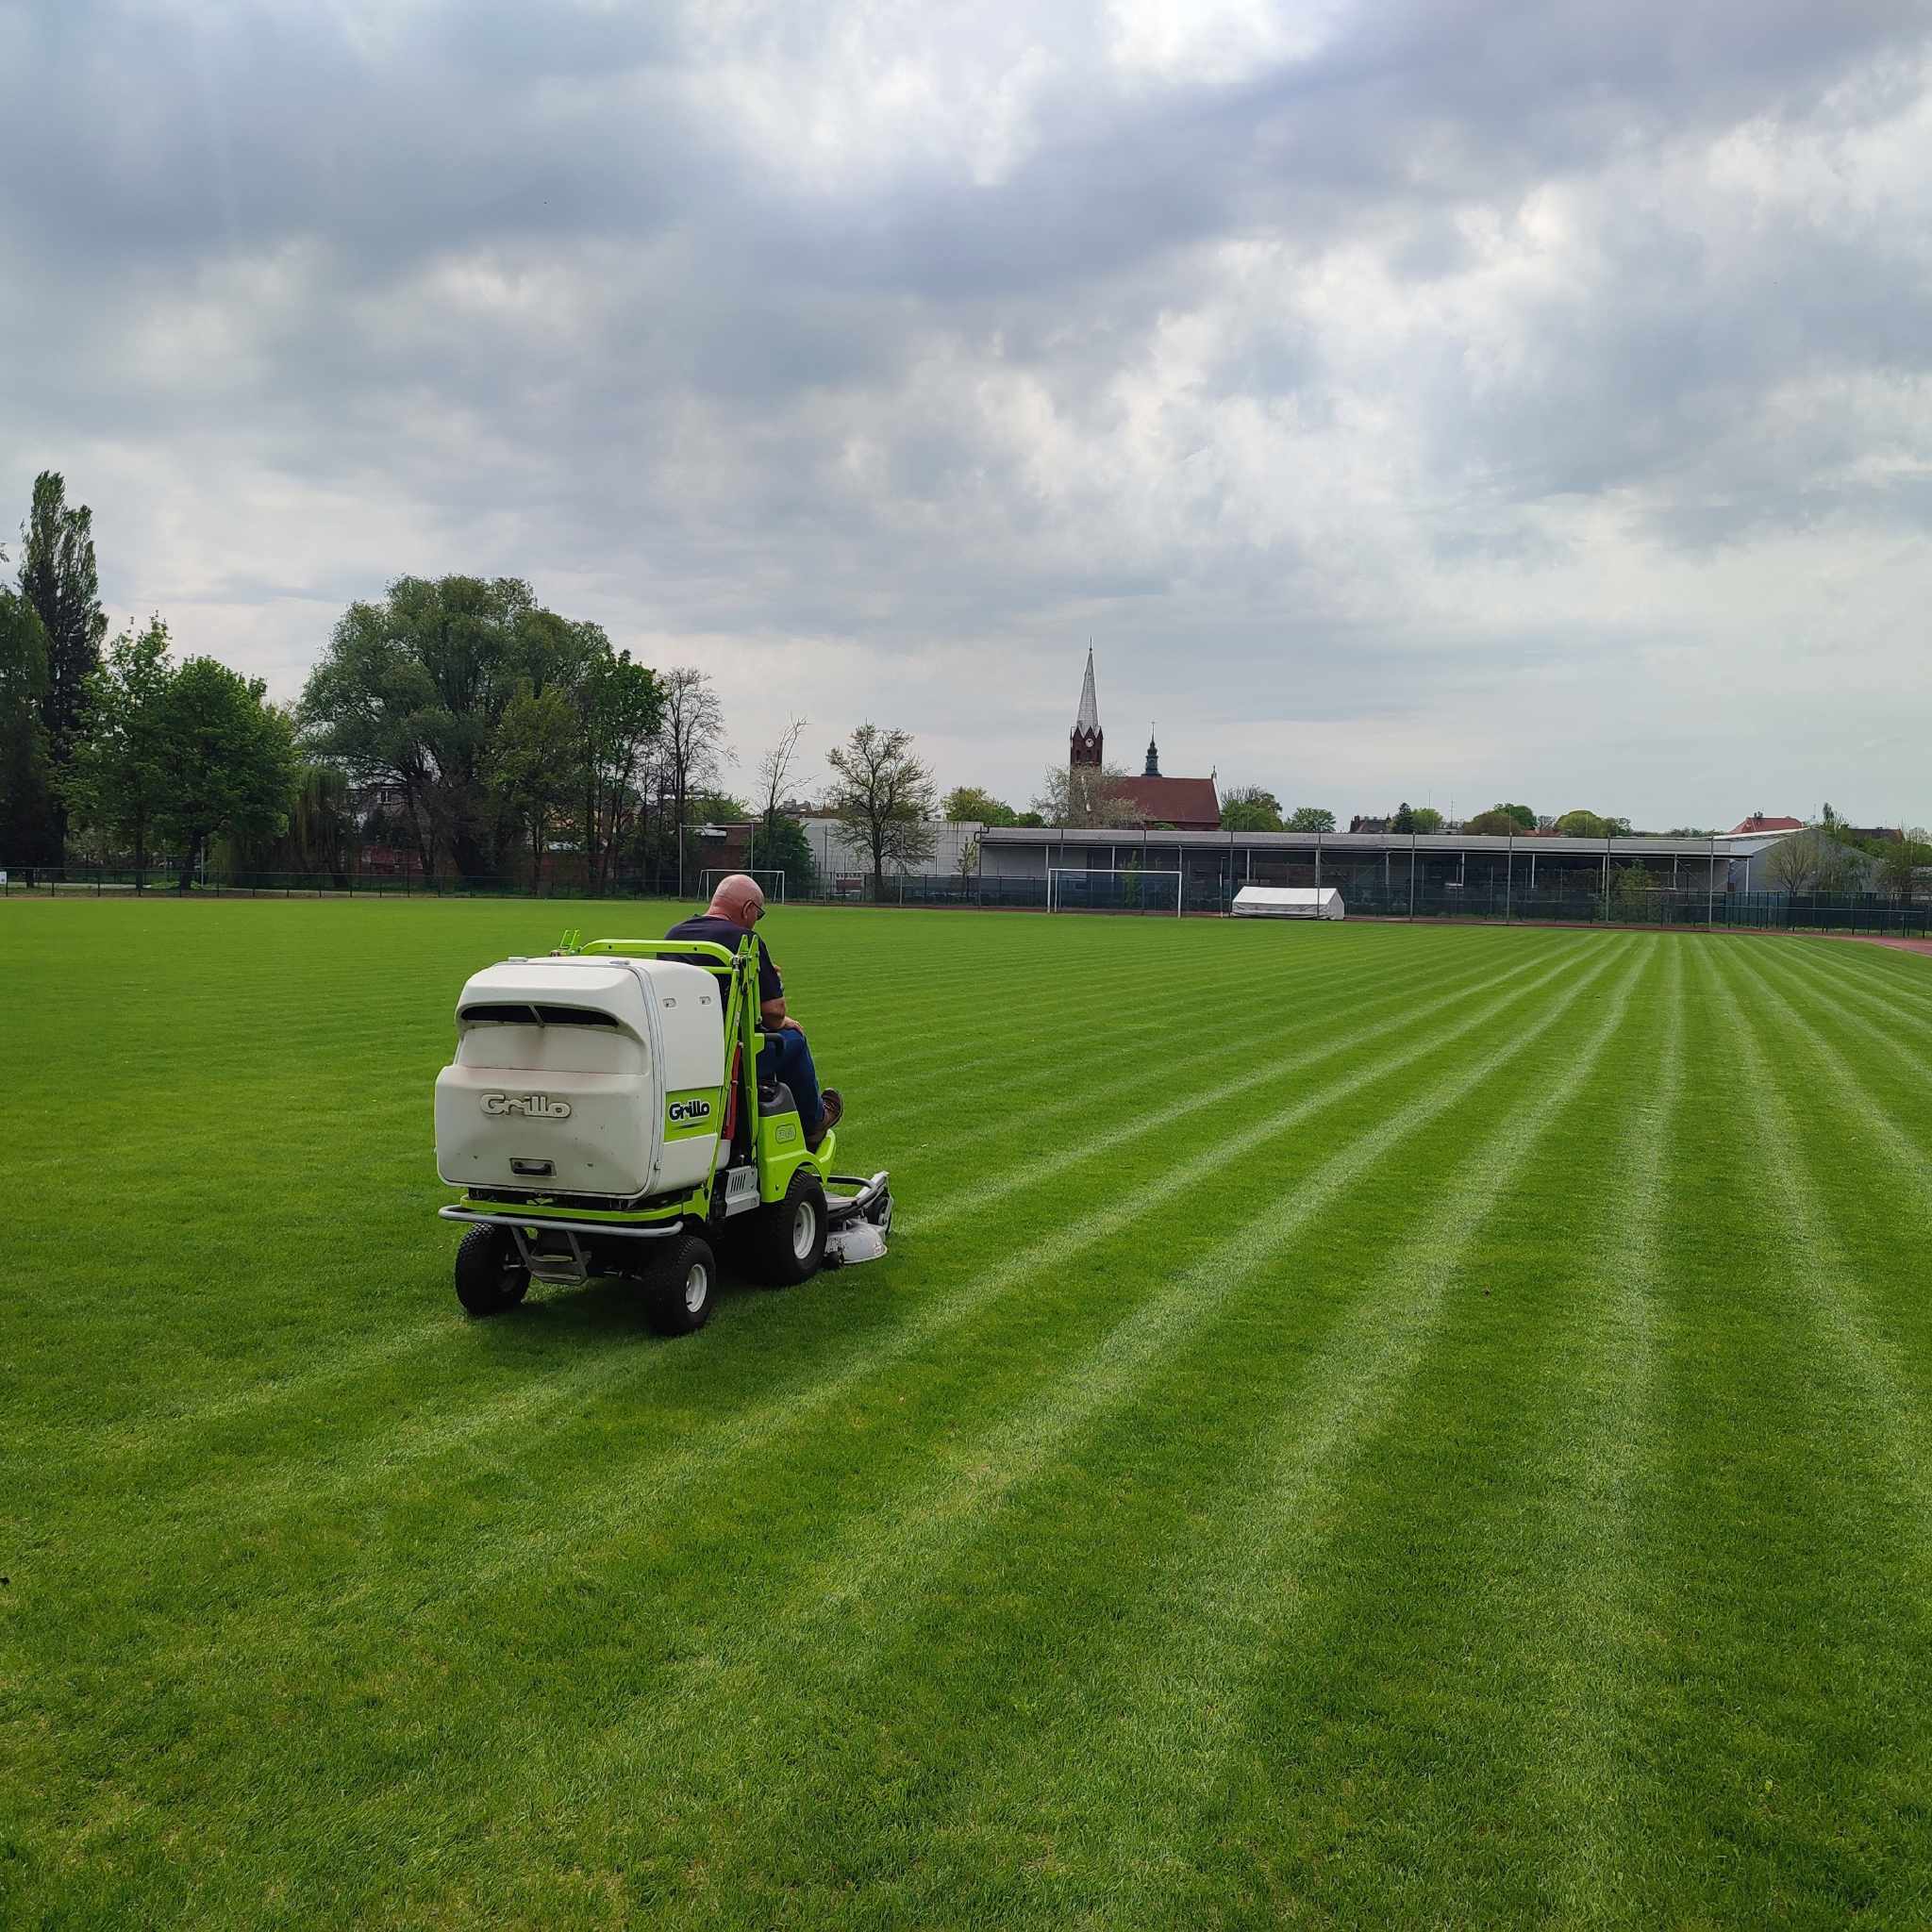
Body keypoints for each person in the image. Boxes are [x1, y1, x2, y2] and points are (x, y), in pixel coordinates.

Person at [664, 874, 842, 1151]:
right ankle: (814, 1122)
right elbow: (773, 1012)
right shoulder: (745, 941)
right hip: (730, 1057)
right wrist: (785, 1020)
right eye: (758, 914)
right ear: (748, 908)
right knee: (793, 1040)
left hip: (680, 1050)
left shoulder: (674, 936)